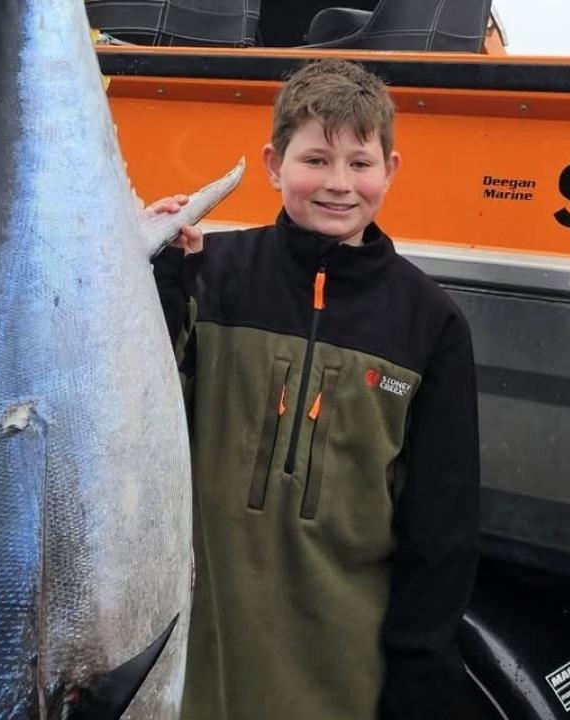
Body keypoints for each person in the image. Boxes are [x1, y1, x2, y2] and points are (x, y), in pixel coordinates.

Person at [148, 58, 480, 720]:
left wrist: (421, 673)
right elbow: (139, 414)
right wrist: (154, 270)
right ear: (274, 165)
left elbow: (442, 526)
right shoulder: (210, 274)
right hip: (197, 664)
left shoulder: (431, 323)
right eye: (315, 160)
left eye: (360, 163)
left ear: (391, 170)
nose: (338, 184)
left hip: (343, 672)